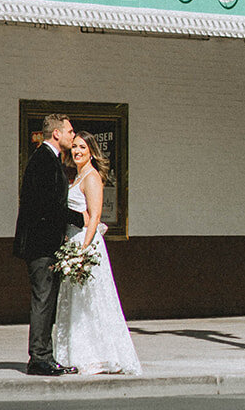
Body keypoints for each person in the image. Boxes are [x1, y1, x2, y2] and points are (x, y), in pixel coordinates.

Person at [54, 132, 141, 376]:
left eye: (82, 147)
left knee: (91, 302)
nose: (77, 151)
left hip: (85, 243)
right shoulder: (77, 176)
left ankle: (98, 356)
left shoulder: (91, 177)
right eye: (74, 147)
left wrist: (82, 251)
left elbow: (94, 218)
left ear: (91, 150)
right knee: (77, 303)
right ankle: (75, 353)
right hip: (72, 240)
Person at [13, 114, 81, 376]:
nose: (73, 137)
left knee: (47, 300)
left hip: (44, 243)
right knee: (43, 300)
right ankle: (39, 358)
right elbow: (49, 206)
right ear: (56, 134)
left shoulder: (48, 159)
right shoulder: (44, 160)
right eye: (70, 131)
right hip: (41, 246)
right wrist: (80, 218)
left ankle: (46, 356)